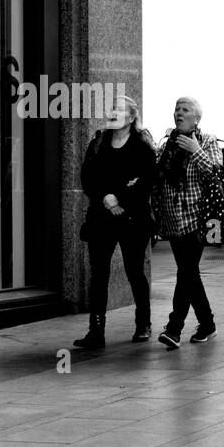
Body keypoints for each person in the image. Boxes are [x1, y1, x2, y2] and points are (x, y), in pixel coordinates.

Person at [73, 94, 157, 349]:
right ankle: (95, 331)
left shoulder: (142, 146)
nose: (112, 112)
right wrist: (106, 198)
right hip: (102, 218)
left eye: (118, 109)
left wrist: (119, 197)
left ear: (131, 117)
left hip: (133, 219)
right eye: (111, 108)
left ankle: (143, 323)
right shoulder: (98, 142)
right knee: (99, 275)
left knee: (135, 272)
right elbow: (88, 177)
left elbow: (146, 181)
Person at [152, 97, 224, 350]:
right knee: (189, 274)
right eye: (176, 109)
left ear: (197, 118)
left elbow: (217, 175)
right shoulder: (167, 145)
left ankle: (174, 329)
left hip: (197, 219)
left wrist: (196, 151)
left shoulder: (207, 141)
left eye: (185, 110)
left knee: (186, 272)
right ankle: (207, 323)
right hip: (172, 221)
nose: (179, 113)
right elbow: (158, 180)